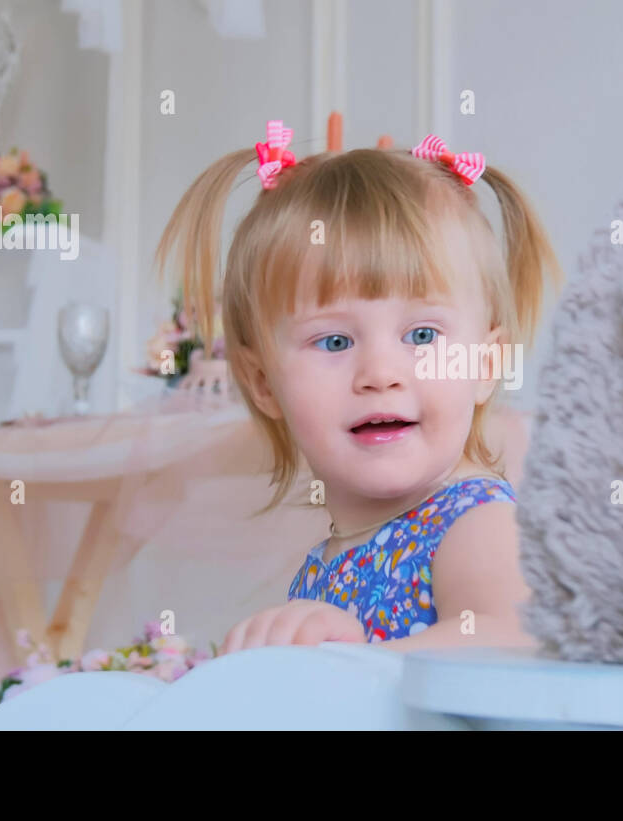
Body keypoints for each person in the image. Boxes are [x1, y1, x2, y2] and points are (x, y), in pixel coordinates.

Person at [155, 122, 563, 653]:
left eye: (421, 334)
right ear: (263, 384)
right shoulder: (324, 565)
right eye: (333, 342)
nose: (379, 373)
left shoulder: (478, 524)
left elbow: (516, 640)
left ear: (486, 364)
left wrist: (347, 665)